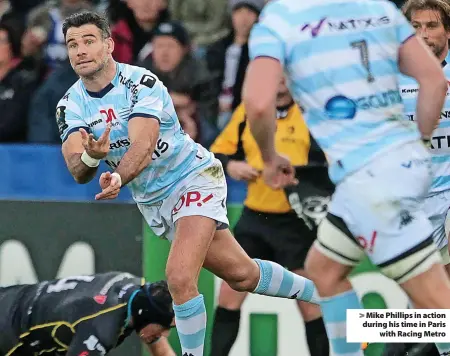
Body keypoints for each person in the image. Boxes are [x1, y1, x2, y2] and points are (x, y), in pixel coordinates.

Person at [57, 11, 321, 356]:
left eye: (88, 41)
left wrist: (119, 175)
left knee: (179, 278)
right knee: (242, 275)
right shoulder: (69, 104)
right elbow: (78, 169)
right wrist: (93, 157)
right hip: (155, 200)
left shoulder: (141, 83)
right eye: (72, 44)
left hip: (192, 177)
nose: (79, 50)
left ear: (109, 45)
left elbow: (144, 144)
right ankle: (327, 293)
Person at [242, 0, 450, 355]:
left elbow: (258, 104)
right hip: (384, 177)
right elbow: (434, 81)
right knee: (322, 271)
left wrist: (270, 156)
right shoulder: (380, 8)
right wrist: (416, 146)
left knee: (439, 310)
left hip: (380, 182)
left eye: (432, 26)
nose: (424, 32)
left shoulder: (279, 18)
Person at [209, 79, 330, 356]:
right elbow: (216, 153)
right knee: (229, 294)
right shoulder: (250, 110)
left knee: (310, 303)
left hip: (297, 222)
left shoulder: (311, 111)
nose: (278, 84)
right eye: (272, 76)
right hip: (256, 217)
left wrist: (297, 177)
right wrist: (232, 165)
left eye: (284, 76)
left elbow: (330, 164)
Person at [383, 1, 450, 355]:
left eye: (432, 26)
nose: (423, 35)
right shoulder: (392, 77)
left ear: (448, 31)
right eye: (416, 26)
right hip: (415, 200)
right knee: (423, 310)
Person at [0, 272, 175, 356]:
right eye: (165, 327)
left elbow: (156, 338)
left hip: (12, 297)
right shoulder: (100, 328)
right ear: (145, 315)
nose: (166, 333)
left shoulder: (138, 288)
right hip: (9, 333)